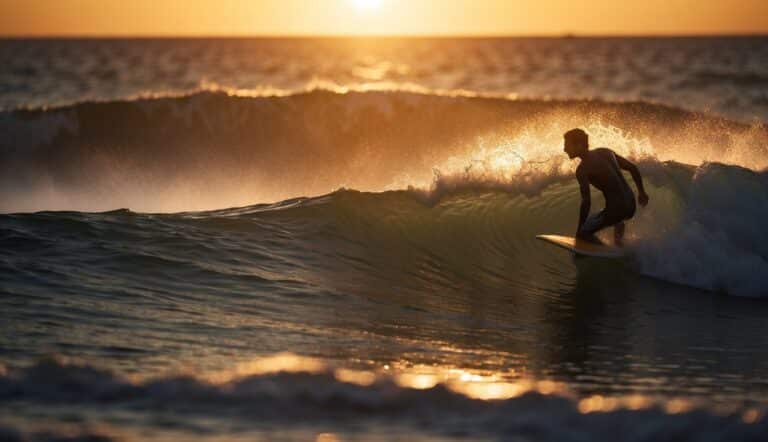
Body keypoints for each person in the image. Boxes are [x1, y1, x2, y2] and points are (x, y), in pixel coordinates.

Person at [563, 128, 649, 246]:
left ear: (579, 145)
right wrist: (642, 192)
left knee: (584, 233)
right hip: (631, 204)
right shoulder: (605, 152)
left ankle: (607, 252)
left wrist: (579, 231)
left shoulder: (582, 170)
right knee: (615, 220)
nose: (564, 149)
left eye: (567, 145)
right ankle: (619, 244)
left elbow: (586, 201)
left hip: (617, 210)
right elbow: (632, 168)